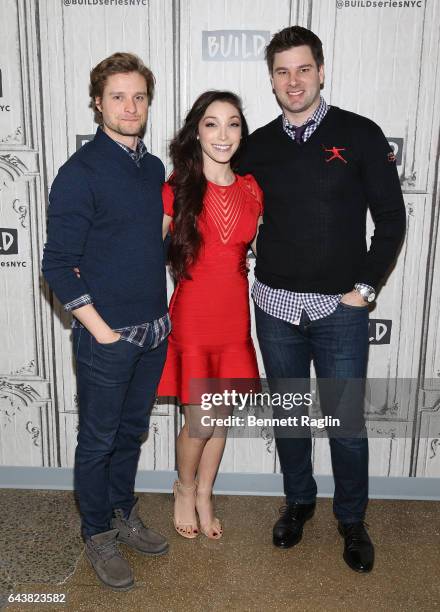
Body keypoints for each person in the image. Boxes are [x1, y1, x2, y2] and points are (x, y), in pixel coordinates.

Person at [238, 26, 406, 573]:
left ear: (321, 71)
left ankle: (352, 519)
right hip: (276, 309)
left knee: (345, 424)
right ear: (271, 79)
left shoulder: (358, 134)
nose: (294, 80)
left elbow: (391, 220)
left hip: (340, 312)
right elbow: (219, 199)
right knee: (290, 418)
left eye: (303, 69)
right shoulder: (256, 145)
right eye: (283, 71)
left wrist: (365, 289)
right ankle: (300, 502)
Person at [42, 52, 170, 591]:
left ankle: (122, 513)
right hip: (108, 339)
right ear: (98, 103)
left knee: (131, 433)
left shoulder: (152, 167)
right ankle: (96, 532)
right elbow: (56, 264)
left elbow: (143, 244)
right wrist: (101, 331)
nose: (129, 105)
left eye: (138, 96)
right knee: (97, 440)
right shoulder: (81, 172)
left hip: (155, 332)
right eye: (117, 96)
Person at [158, 91, 263, 540]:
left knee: (219, 417)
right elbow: (143, 253)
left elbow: (262, 250)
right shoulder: (175, 187)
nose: (223, 134)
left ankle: (205, 492)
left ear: (242, 132)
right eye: (212, 123)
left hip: (234, 318)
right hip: (193, 318)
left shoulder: (253, 189)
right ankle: (183, 489)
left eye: (233, 123)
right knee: (199, 419)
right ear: (196, 130)